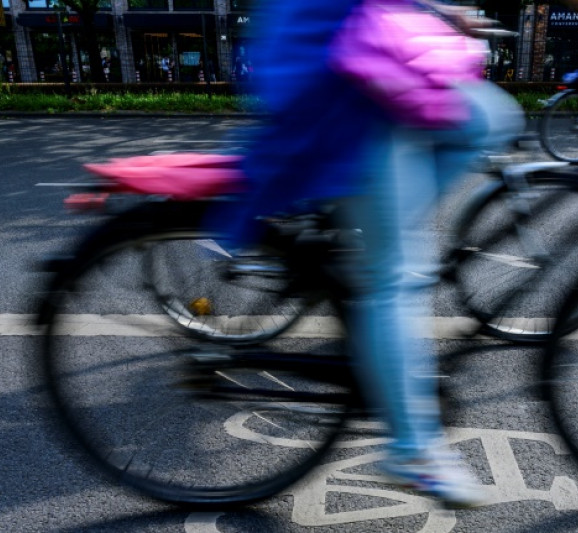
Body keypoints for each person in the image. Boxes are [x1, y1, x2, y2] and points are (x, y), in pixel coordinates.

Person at [216, 0, 524, 508]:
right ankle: (412, 451)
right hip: (347, 75)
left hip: (366, 50)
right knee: (398, 275)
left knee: (491, 116)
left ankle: (368, 247)